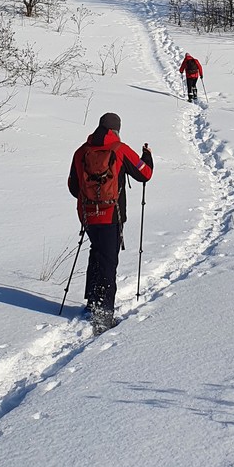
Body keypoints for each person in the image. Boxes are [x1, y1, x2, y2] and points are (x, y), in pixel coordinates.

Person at [68, 112, 153, 330]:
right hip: (111, 215)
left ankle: (92, 302)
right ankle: (103, 313)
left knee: (96, 252)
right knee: (108, 260)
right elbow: (145, 174)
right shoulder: (120, 149)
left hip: (87, 215)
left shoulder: (81, 152)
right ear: (116, 130)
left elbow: (73, 187)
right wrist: (147, 157)